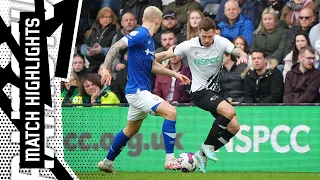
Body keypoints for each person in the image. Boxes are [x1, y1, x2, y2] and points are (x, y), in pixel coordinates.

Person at [98, 6, 190, 173]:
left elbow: (152, 64)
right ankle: (170, 160)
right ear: (158, 21)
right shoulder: (141, 34)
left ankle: (107, 161)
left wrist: (174, 74)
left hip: (138, 92)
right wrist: (106, 67)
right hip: (138, 91)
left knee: (131, 129)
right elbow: (115, 47)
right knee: (171, 112)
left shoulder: (148, 40)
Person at [155, 17, 248, 173]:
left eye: (210, 36)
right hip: (199, 92)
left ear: (214, 33)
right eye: (204, 36)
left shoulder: (220, 41)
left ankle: (202, 155)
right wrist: (144, 59)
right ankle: (207, 145)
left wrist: (242, 54)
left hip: (216, 92)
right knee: (230, 111)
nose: (207, 40)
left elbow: (236, 50)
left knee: (234, 127)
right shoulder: (189, 45)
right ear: (198, 32)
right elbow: (165, 55)